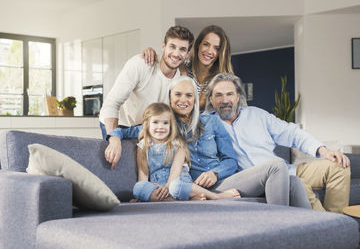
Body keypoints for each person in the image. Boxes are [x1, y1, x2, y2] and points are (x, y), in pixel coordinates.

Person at [106, 76, 306, 207]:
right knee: (279, 167)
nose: (183, 100)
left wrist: (214, 172)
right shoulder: (164, 125)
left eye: (189, 95)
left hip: (224, 181)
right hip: (193, 187)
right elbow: (128, 131)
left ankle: (316, 235)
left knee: (292, 181)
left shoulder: (211, 121)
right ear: (170, 97)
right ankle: (280, 226)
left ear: (195, 99)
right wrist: (113, 137)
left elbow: (230, 160)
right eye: (177, 94)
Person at [205, 72, 351, 213]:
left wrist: (324, 151)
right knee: (296, 183)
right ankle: (326, 227)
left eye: (229, 94)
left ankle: (337, 224)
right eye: (218, 95)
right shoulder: (206, 124)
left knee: (339, 166)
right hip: (256, 180)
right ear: (211, 100)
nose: (225, 100)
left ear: (237, 97)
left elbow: (292, 133)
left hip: (285, 169)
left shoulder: (257, 115)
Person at [99, 25, 194, 140]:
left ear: (188, 54)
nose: (176, 53)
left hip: (146, 128)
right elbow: (112, 103)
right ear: (163, 46)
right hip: (118, 123)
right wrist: (113, 137)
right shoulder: (141, 64)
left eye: (182, 49)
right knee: (116, 156)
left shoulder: (179, 81)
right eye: (172, 47)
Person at [131, 102, 240, 202]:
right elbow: (143, 173)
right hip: (157, 187)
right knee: (138, 187)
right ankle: (178, 201)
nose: (160, 127)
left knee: (176, 186)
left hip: (177, 183)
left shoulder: (178, 145)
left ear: (171, 126)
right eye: (155, 122)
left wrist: (167, 186)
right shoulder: (143, 146)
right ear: (147, 125)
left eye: (165, 123)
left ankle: (216, 196)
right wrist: (147, 189)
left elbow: (175, 171)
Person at [142, 25, 234, 110]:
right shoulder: (181, 66)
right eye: (206, 44)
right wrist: (151, 52)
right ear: (198, 44)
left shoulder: (220, 81)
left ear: (220, 53)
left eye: (216, 48)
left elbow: (195, 106)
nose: (209, 51)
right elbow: (165, 63)